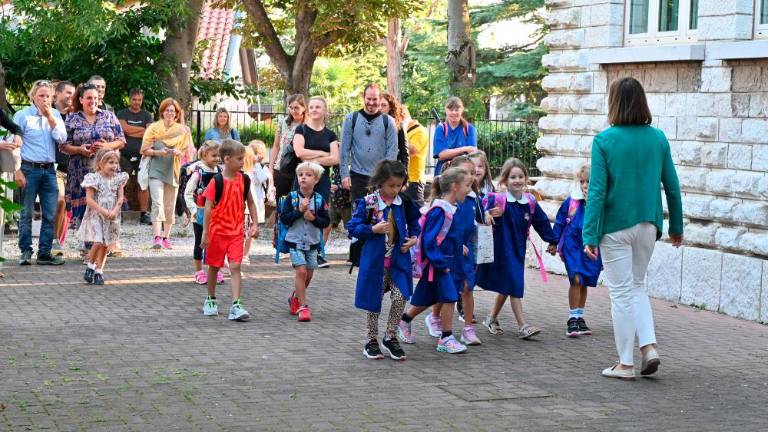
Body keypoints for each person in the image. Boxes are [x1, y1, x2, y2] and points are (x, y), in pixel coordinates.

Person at [582, 77, 683, 379]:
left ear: (614, 102)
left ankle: (625, 363)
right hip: (648, 225)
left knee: (622, 294)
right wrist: (676, 226)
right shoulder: (658, 138)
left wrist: (589, 233)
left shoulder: (604, 140)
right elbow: (673, 188)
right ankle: (648, 347)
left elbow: (597, 191)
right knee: (637, 287)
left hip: (615, 227)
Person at [476, 158, 557, 340]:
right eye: (513, 177)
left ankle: (491, 319)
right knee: (514, 284)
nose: (517, 180)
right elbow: (478, 214)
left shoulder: (530, 202)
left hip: (518, 249)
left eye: (521, 176)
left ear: (526, 179)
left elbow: (541, 222)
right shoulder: (497, 200)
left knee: (508, 286)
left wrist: (552, 240)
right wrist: (488, 214)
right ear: (505, 180)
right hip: (502, 250)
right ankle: (523, 326)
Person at [349, 160, 420, 360]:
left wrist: (413, 238)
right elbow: (352, 227)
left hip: (398, 262)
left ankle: (390, 336)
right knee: (374, 300)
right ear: (380, 182)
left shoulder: (404, 202)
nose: (395, 190)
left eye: (399, 185)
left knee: (400, 296)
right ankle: (371, 340)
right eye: (391, 185)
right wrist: (372, 229)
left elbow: (415, 224)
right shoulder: (369, 202)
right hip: (375, 264)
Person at [397, 167, 472, 355]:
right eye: (467, 185)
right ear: (454, 186)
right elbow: (429, 240)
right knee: (450, 297)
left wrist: (458, 246)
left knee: (429, 296)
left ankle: (404, 320)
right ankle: (446, 337)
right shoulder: (440, 210)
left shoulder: (449, 209)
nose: (469, 190)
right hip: (440, 265)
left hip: (448, 263)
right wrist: (441, 264)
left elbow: (446, 236)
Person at [422, 156, 483, 346]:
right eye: (466, 173)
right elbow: (441, 231)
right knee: (448, 289)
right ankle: (435, 318)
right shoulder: (445, 203)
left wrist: (488, 215)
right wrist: (457, 245)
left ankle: (468, 329)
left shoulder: (474, 198)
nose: (472, 177)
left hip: (467, 250)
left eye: (473, 173)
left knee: (467, 288)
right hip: (452, 252)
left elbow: (478, 220)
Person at [200, 139, 260, 321]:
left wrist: (255, 223)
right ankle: (210, 299)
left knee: (235, 266)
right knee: (214, 266)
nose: (243, 162)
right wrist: (205, 233)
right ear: (227, 159)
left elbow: (250, 202)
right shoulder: (216, 181)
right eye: (240, 159)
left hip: (236, 232)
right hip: (217, 232)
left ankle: (236, 304)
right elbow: (208, 208)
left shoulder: (245, 179)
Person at [13, 80, 67, 265]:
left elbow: (62, 138)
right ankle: (25, 251)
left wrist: (49, 116)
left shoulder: (56, 115)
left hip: (49, 170)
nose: (44, 99)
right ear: (33, 97)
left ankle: (44, 253)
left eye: (48, 96)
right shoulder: (22, 115)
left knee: (50, 214)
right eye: (41, 96)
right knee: (26, 213)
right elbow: (13, 144)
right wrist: (17, 170)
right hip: (29, 169)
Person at [547, 164, 602, 338]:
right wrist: (554, 241)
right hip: (573, 244)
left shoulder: (599, 202)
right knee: (576, 279)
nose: (585, 185)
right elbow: (561, 221)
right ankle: (572, 317)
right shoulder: (571, 201)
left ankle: (579, 316)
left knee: (584, 281)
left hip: (591, 246)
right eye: (582, 182)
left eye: (589, 182)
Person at [61, 84, 125, 230]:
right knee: (85, 209)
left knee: (108, 204)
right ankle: (87, 244)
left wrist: (107, 146)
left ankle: (109, 243)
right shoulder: (73, 118)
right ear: (81, 100)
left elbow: (122, 141)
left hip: (107, 170)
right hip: (81, 169)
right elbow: (63, 145)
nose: (93, 101)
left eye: (96, 98)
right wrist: (79, 149)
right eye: (89, 98)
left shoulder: (108, 116)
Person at [291, 96, 339, 268]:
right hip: (303, 180)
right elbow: (299, 153)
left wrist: (314, 158)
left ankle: (318, 252)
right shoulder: (301, 130)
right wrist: (323, 154)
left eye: (318, 107)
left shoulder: (330, 134)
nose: (314, 109)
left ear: (325, 110)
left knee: (321, 215)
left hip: (323, 181)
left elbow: (335, 158)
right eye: (311, 107)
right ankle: (299, 251)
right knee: (301, 211)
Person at [281, 161, 330, 322]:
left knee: (308, 274)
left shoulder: (320, 199)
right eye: (301, 175)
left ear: (316, 180)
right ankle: (303, 306)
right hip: (295, 242)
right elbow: (284, 219)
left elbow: (325, 221)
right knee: (301, 272)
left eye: (308, 175)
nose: (303, 178)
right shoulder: (292, 197)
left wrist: (313, 218)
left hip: (312, 243)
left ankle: (295, 297)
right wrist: (299, 211)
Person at [140, 98, 191, 250]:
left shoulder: (183, 130)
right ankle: (156, 237)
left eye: (173, 111)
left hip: (173, 170)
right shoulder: (154, 128)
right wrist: (158, 152)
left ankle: (166, 237)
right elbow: (144, 149)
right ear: (162, 112)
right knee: (157, 202)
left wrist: (178, 152)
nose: (170, 113)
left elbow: (187, 153)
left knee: (170, 205)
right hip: (156, 168)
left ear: (176, 114)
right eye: (167, 110)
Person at [340, 83, 398, 203]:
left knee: (379, 215)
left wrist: (387, 174)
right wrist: (344, 174)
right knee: (358, 214)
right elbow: (344, 149)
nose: (371, 102)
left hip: (380, 177)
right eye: (369, 99)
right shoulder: (351, 119)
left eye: (375, 99)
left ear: (380, 99)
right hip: (357, 175)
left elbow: (392, 150)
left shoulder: (389, 121)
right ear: (364, 98)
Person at [78, 149, 128, 285]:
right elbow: (89, 199)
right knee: (98, 241)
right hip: (96, 215)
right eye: (110, 162)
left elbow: (120, 198)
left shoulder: (118, 179)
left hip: (112, 216)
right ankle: (90, 266)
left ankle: (99, 271)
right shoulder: (93, 178)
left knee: (106, 244)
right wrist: (103, 211)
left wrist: (115, 210)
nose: (114, 166)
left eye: (116, 163)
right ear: (100, 164)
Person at [183, 141, 224, 285]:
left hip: (217, 214)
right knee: (200, 242)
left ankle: (215, 270)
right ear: (204, 155)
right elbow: (187, 193)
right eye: (214, 155)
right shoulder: (198, 173)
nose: (217, 158)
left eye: (219, 155)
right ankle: (199, 271)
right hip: (200, 214)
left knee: (217, 243)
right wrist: (193, 210)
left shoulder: (220, 172)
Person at [117, 88, 153, 225]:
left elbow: (150, 133)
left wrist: (133, 131)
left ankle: (144, 214)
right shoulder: (122, 113)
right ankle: (118, 212)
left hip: (142, 155)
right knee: (120, 182)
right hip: (124, 155)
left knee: (142, 184)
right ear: (129, 99)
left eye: (139, 100)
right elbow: (123, 129)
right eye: (134, 99)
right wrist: (142, 130)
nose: (137, 102)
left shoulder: (147, 115)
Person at [51, 80, 75, 255]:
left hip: (73, 168)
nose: (71, 96)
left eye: (73, 93)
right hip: (54, 167)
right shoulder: (48, 114)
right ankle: (54, 241)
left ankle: (58, 242)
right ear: (57, 93)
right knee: (59, 201)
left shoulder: (76, 116)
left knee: (67, 206)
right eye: (68, 92)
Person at [269, 94, 306, 201]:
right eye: (291, 108)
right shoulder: (283, 122)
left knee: (298, 202)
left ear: (303, 107)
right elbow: (276, 146)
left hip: (301, 167)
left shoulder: (308, 124)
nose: (294, 111)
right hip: (282, 167)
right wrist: (271, 167)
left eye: (297, 108)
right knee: (281, 201)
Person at [242, 140, 270, 264]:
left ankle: (246, 254)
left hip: (255, 202)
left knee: (251, 230)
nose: (256, 156)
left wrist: (257, 165)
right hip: (244, 204)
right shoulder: (243, 167)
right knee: (242, 230)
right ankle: (238, 253)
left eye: (259, 153)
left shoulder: (262, 167)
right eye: (254, 153)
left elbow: (262, 178)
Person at [433, 97, 477, 174]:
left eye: (457, 110)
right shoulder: (441, 129)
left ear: (462, 110)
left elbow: (473, 152)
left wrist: (449, 152)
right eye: (450, 109)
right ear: (446, 110)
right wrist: (464, 149)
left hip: (463, 173)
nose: (453, 112)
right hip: (443, 173)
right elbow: (442, 154)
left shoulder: (469, 129)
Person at [401, 105, 428, 207]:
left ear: (403, 115)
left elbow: (411, 151)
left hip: (414, 181)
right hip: (400, 180)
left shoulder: (420, 131)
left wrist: (401, 130)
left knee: (416, 219)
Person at [379, 93, 409, 169]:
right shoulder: (370, 124)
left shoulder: (398, 125)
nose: (380, 108)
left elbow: (404, 152)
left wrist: (404, 172)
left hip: (392, 168)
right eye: (378, 105)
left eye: (383, 105)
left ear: (390, 107)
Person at [329, 166, 351, 231]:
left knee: (348, 228)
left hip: (346, 204)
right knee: (329, 225)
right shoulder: (332, 169)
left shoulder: (348, 169)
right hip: (333, 202)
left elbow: (351, 185)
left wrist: (338, 187)